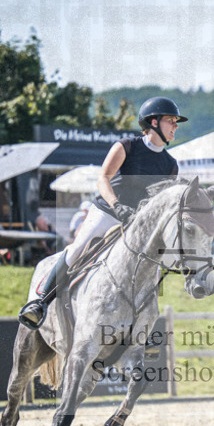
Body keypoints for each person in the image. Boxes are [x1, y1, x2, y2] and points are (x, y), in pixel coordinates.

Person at [18, 96, 187, 329]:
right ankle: (40, 303)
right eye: (171, 121)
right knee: (78, 248)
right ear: (154, 122)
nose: (176, 126)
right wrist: (117, 206)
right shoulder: (127, 146)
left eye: (176, 122)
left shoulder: (171, 164)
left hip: (137, 224)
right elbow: (103, 178)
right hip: (108, 211)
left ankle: (139, 323)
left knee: (153, 266)